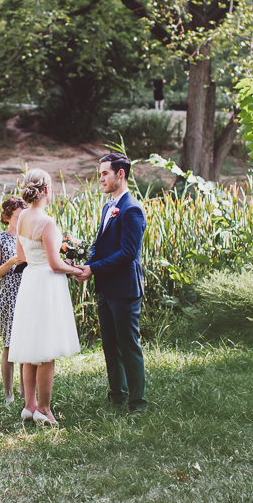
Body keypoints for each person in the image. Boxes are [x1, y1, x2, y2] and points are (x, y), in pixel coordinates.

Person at [8, 169, 84, 426]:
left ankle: (28, 406)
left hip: (30, 281)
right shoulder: (48, 222)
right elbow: (54, 264)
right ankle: (44, 409)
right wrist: (74, 268)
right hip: (46, 285)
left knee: (30, 349)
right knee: (46, 351)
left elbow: (22, 256)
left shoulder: (21, 219)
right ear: (47, 190)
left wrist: (53, 259)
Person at [76, 153, 148, 413]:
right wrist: (87, 263)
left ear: (121, 174)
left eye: (105, 173)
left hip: (125, 289)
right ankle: (116, 395)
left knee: (128, 345)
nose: (101, 178)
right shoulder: (109, 206)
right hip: (106, 288)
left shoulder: (132, 209)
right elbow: (101, 243)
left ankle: (137, 403)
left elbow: (128, 253)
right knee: (109, 344)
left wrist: (93, 268)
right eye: (100, 174)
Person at [0, 195, 28, 404]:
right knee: (10, 344)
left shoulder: (28, 237)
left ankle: (25, 392)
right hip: (10, 294)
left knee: (26, 344)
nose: (20, 222)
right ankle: (8, 394)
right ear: (7, 217)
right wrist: (13, 260)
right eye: (16, 218)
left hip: (28, 291)